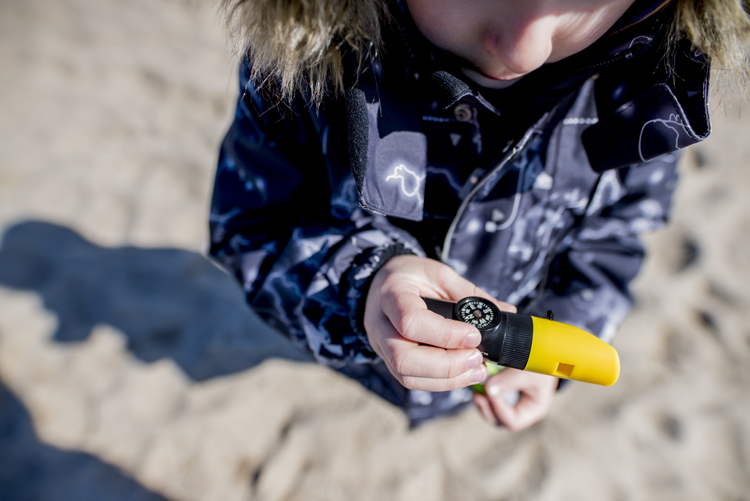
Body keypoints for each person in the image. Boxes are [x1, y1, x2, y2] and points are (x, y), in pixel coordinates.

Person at [209, 0, 750, 428]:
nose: (523, 49)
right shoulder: (302, 67)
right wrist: (361, 288)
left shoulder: (641, 102)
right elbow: (250, 226)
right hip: (357, 359)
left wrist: (555, 346)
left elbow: (613, 240)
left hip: (491, 375)